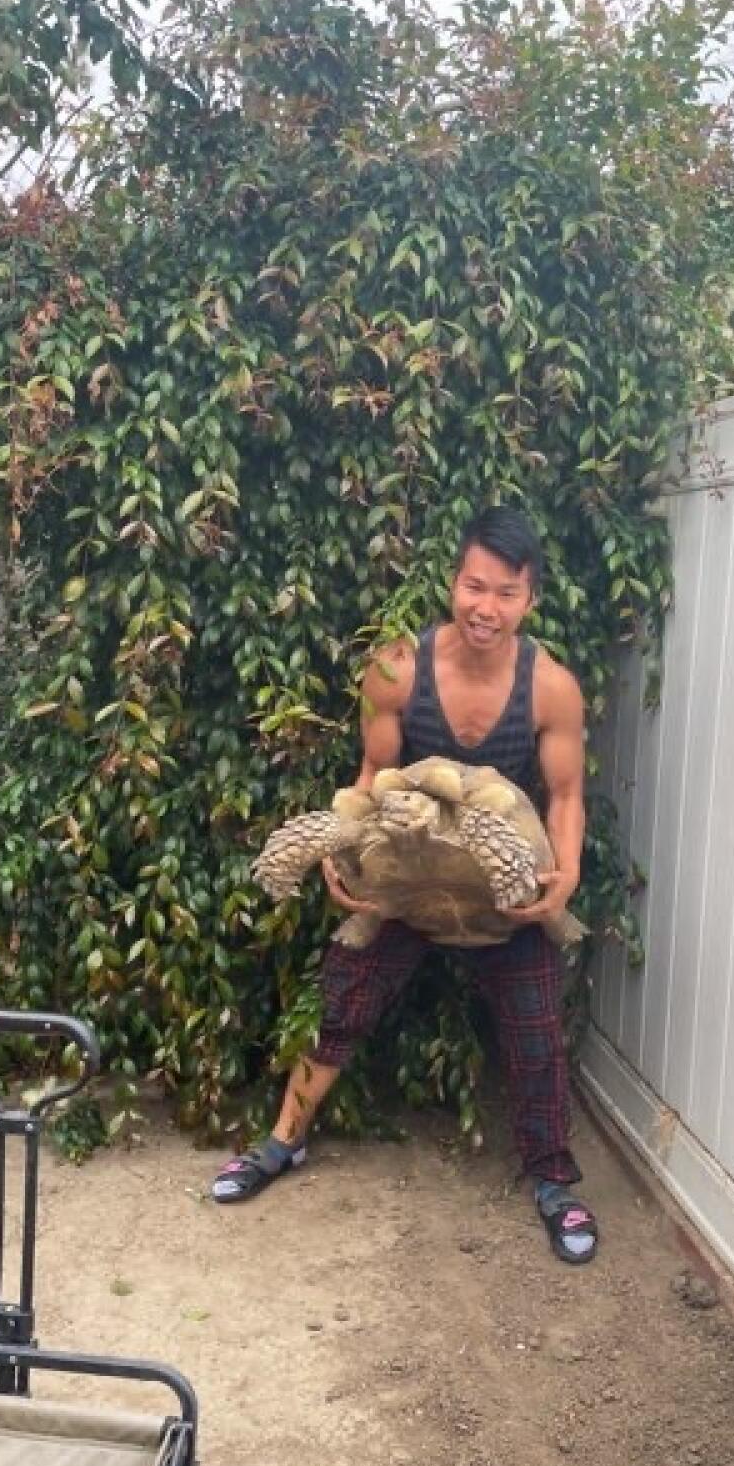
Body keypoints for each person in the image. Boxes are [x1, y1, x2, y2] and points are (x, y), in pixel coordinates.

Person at [211, 508, 598, 1265]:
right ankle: (282, 1140)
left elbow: (565, 797)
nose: (486, 607)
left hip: (497, 884)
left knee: (535, 1032)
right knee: (340, 1003)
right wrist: (339, 847)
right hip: (405, 870)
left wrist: (567, 874)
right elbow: (369, 777)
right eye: (473, 586)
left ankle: (554, 1181)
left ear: (531, 599)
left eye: (506, 593)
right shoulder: (397, 668)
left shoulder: (552, 689)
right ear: (452, 582)